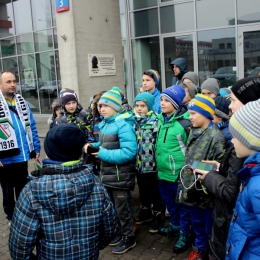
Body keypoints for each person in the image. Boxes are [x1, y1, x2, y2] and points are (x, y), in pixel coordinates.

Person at [8, 124, 118, 259]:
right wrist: (93, 247)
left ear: (48, 151)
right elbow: (110, 230)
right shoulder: (97, 185)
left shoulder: (31, 191)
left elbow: (19, 245)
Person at [195, 76, 260, 260]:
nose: (229, 106)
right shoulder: (244, 145)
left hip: (231, 233)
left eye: (233, 100)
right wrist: (221, 168)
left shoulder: (245, 150)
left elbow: (232, 193)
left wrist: (209, 177)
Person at [84, 87, 137, 255]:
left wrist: (103, 153)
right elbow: (106, 144)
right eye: (100, 106)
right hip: (109, 175)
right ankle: (120, 232)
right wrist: (94, 145)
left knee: (123, 208)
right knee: (115, 207)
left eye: (105, 106)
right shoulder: (106, 124)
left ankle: (129, 237)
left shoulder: (123, 125)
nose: (101, 109)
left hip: (120, 176)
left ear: (115, 107)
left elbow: (129, 152)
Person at [177, 94, 225, 260]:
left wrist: (194, 168)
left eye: (193, 114)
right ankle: (199, 249)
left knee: (207, 225)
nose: (189, 117)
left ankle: (208, 252)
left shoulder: (216, 137)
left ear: (206, 114)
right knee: (196, 223)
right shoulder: (193, 131)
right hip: (191, 189)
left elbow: (218, 166)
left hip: (205, 193)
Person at [0, 71, 40, 224]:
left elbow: (32, 126)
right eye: (8, 81)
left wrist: (35, 147)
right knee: (8, 193)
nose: (12, 84)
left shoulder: (21, 101)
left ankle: (23, 216)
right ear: (1, 84)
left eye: (14, 81)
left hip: (22, 155)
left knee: (23, 190)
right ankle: (11, 218)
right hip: (5, 159)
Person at [155, 85, 192, 254]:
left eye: (166, 101)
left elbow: (190, 151)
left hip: (178, 175)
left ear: (176, 104)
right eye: (161, 99)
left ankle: (185, 233)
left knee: (182, 206)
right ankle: (175, 226)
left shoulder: (184, 124)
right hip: (163, 173)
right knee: (170, 203)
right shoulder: (162, 120)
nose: (162, 103)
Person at [225, 99, 260, 260]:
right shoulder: (252, 172)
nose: (232, 141)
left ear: (252, 139)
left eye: (235, 136)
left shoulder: (257, 187)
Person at [133, 92, 161, 233]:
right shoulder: (135, 121)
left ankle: (157, 213)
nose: (139, 108)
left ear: (149, 106)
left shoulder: (155, 121)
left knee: (154, 191)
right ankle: (145, 210)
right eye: (137, 105)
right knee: (142, 190)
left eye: (142, 106)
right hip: (139, 164)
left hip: (152, 165)